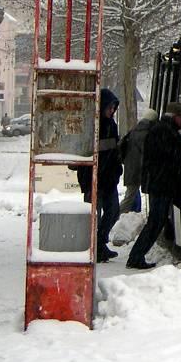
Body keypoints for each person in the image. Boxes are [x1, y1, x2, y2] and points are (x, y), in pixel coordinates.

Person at [126, 101, 181, 270]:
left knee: (157, 221)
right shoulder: (164, 131)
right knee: (155, 222)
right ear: (175, 117)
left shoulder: (163, 129)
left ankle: (136, 256)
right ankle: (135, 256)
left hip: (161, 183)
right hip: (161, 184)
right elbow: (176, 151)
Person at [77, 87, 123, 263]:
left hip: (108, 180)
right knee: (93, 216)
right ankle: (95, 246)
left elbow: (114, 152)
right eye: (109, 108)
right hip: (93, 180)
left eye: (113, 108)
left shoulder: (111, 125)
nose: (112, 111)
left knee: (113, 212)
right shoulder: (92, 126)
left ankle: (99, 243)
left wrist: (116, 170)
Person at [119, 108, 158, 214]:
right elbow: (145, 153)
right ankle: (117, 216)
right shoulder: (147, 133)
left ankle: (131, 213)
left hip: (131, 167)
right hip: (138, 169)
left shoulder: (135, 130)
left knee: (132, 194)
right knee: (129, 197)